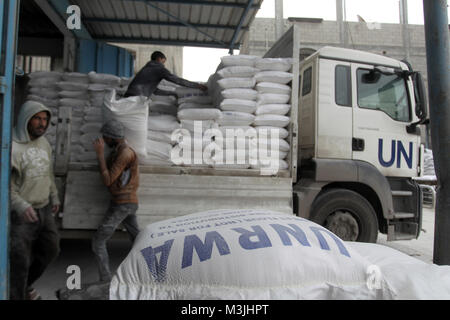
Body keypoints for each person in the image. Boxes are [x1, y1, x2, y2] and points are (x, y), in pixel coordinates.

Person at [9, 100, 61, 300]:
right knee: (19, 259)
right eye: (37, 119)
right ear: (26, 119)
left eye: (45, 119)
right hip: (22, 213)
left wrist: (54, 194)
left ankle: (26, 286)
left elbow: (48, 172)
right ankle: (18, 295)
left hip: (44, 207)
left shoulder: (44, 143)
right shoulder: (12, 145)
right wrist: (21, 205)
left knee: (51, 248)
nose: (42, 124)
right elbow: (5, 184)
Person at [92, 119, 140, 282]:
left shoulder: (125, 153)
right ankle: (145, 273)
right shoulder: (119, 150)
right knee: (138, 240)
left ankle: (105, 280)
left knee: (98, 241)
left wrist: (99, 155)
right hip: (125, 203)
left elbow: (108, 180)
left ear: (113, 137)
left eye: (106, 137)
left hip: (122, 204)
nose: (104, 141)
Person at [124, 50, 207, 98]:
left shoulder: (146, 68)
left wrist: (171, 93)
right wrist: (197, 86)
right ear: (159, 58)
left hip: (130, 95)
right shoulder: (159, 69)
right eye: (163, 61)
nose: (164, 64)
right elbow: (177, 80)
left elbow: (154, 90)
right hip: (137, 97)